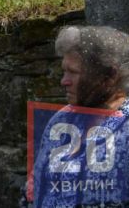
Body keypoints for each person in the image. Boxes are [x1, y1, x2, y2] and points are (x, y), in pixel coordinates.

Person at [31, 26, 129, 206]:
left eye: (74, 72)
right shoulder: (61, 119)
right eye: (64, 71)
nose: (64, 81)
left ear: (110, 76)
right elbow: (35, 187)